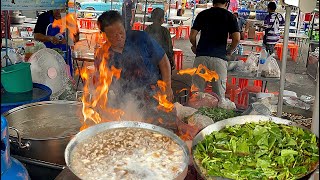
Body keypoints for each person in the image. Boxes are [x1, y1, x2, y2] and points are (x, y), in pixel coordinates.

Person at [95, 10, 173, 104]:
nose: (119, 37)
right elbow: (103, 84)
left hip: (153, 94)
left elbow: (163, 60)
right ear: (104, 35)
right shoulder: (103, 55)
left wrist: (167, 86)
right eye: (114, 35)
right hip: (126, 101)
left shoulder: (140, 38)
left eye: (121, 32)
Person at [189, 0, 240, 99]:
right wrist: (229, 50)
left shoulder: (202, 14)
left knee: (197, 95)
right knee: (219, 97)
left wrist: (195, 47)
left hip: (201, 57)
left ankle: (195, 113)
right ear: (227, 3)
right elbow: (237, 38)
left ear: (213, 2)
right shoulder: (230, 16)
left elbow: (192, 36)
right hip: (219, 59)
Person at [34, 9, 80, 75]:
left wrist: (68, 40)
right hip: (47, 57)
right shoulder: (44, 17)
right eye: (56, 9)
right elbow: (36, 36)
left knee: (66, 78)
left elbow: (77, 38)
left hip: (65, 58)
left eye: (61, 9)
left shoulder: (70, 18)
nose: (58, 12)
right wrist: (50, 38)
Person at [145, 8, 175, 72]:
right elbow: (169, 49)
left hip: (149, 61)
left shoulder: (147, 29)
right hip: (164, 61)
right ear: (162, 19)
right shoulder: (165, 31)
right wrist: (173, 61)